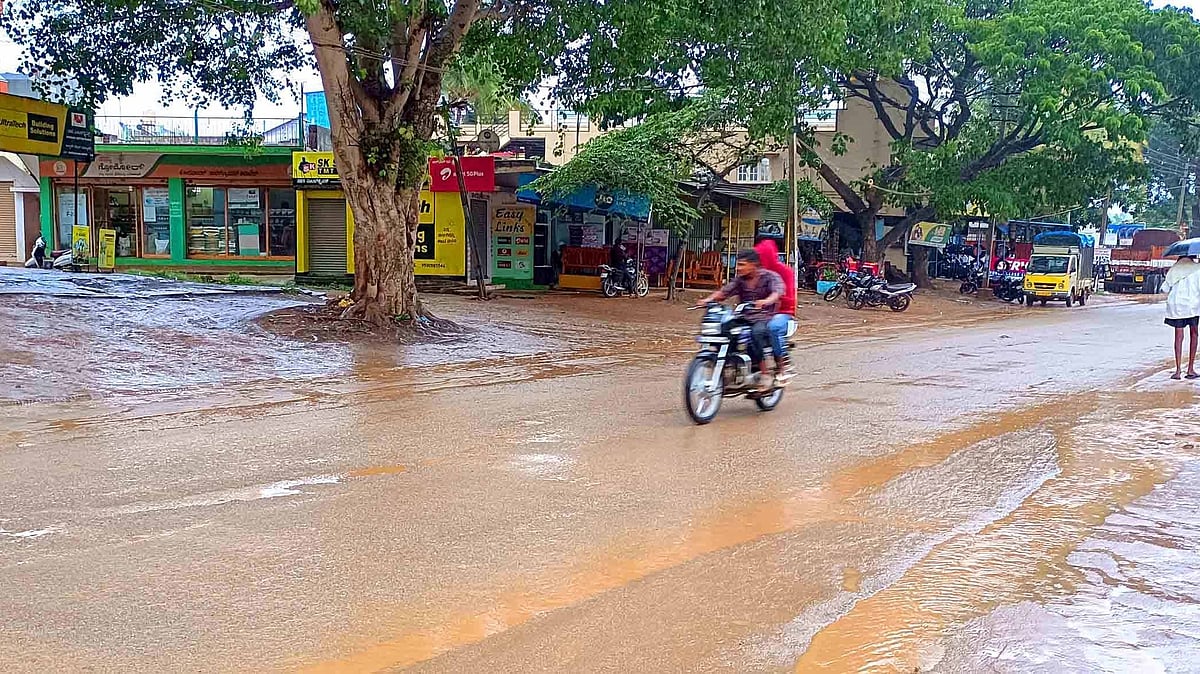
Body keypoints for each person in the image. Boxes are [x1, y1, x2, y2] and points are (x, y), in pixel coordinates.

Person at [696, 249, 784, 391]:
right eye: (738, 265)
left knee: (756, 333)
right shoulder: (740, 280)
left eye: (742, 265)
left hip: (764, 317)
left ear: (754, 265)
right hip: (744, 317)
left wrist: (766, 301)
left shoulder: (770, 277)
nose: (738, 268)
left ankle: (765, 374)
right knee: (724, 329)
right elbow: (724, 292)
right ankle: (726, 367)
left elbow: (776, 293)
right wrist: (708, 300)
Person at [753, 239, 796, 380]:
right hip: (761, 313)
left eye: (761, 257)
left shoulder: (785, 272)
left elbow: (789, 298)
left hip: (782, 313)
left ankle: (782, 365)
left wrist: (770, 301)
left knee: (773, 327)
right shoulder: (756, 274)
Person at [1161, 255, 1200, 380]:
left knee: (1179, 337)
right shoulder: (1197, 269)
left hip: (1177, 307)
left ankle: (1178, 370)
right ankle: (1190, 369)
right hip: (1192, 306)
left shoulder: (1175, 269)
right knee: (1194, 334)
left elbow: (1164, 289)